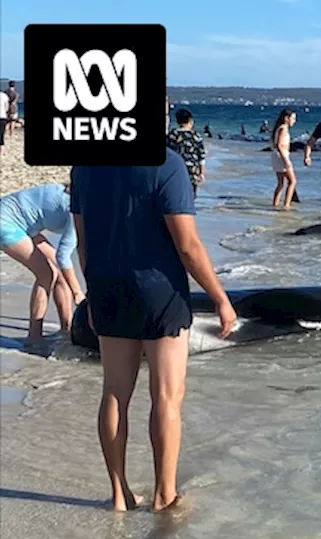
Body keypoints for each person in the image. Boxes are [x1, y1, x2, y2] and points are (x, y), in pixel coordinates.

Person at [70, 100, 237, 513]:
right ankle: (165, 495)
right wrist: (220, 297)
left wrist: (92, 291)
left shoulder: (85, 166)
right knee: (166, 396)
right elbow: (188, 245)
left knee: (114, 392)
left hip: (107, 285)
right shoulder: (168, 164)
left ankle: (119, 493)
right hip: (158, 290)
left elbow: (84, 239)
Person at [0, 182, 84, 343]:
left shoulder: (78, 197)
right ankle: (34, 338)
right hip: (6, 222)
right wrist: (77, 292)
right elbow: (63, 255)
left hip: (26, 224)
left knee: (60, 273)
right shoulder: (78, 208)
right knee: (47, 273)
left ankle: (66, 330)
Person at [166, 107, 207, 199]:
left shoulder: (172, 135)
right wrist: (202, 173)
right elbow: (202, 157)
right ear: (190, 121)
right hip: (192, 171)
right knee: (190, 196)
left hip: (174, 170)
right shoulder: (196, 136)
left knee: (175, 195)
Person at [270, 108, 298, 210]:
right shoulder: (284, 128)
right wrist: (286, 160)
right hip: (282, 155)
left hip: (277, 156)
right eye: (293, 118)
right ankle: (286, 204)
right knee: (292, 181)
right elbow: (280, 145)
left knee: (281, 183)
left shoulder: (279, 128)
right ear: (287, 118)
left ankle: (275, 203)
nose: (294, 121)